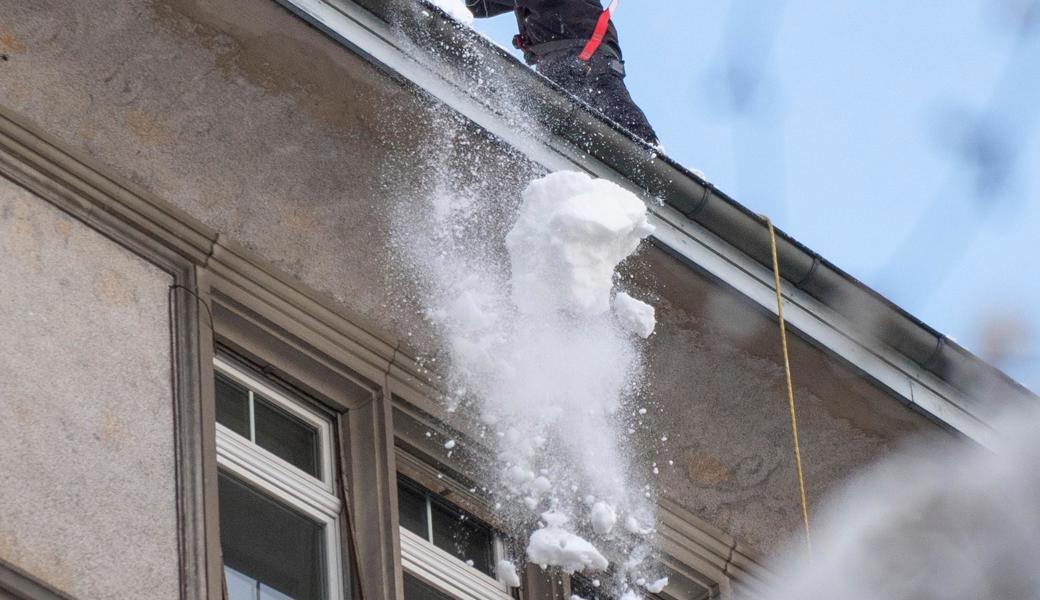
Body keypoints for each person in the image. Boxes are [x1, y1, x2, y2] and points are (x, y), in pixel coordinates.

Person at [465, 0, 658, 144]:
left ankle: (650, 153)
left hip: (589, 55)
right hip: (555, 65)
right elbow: (479, 6)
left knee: (615, 108)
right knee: (557, 130)